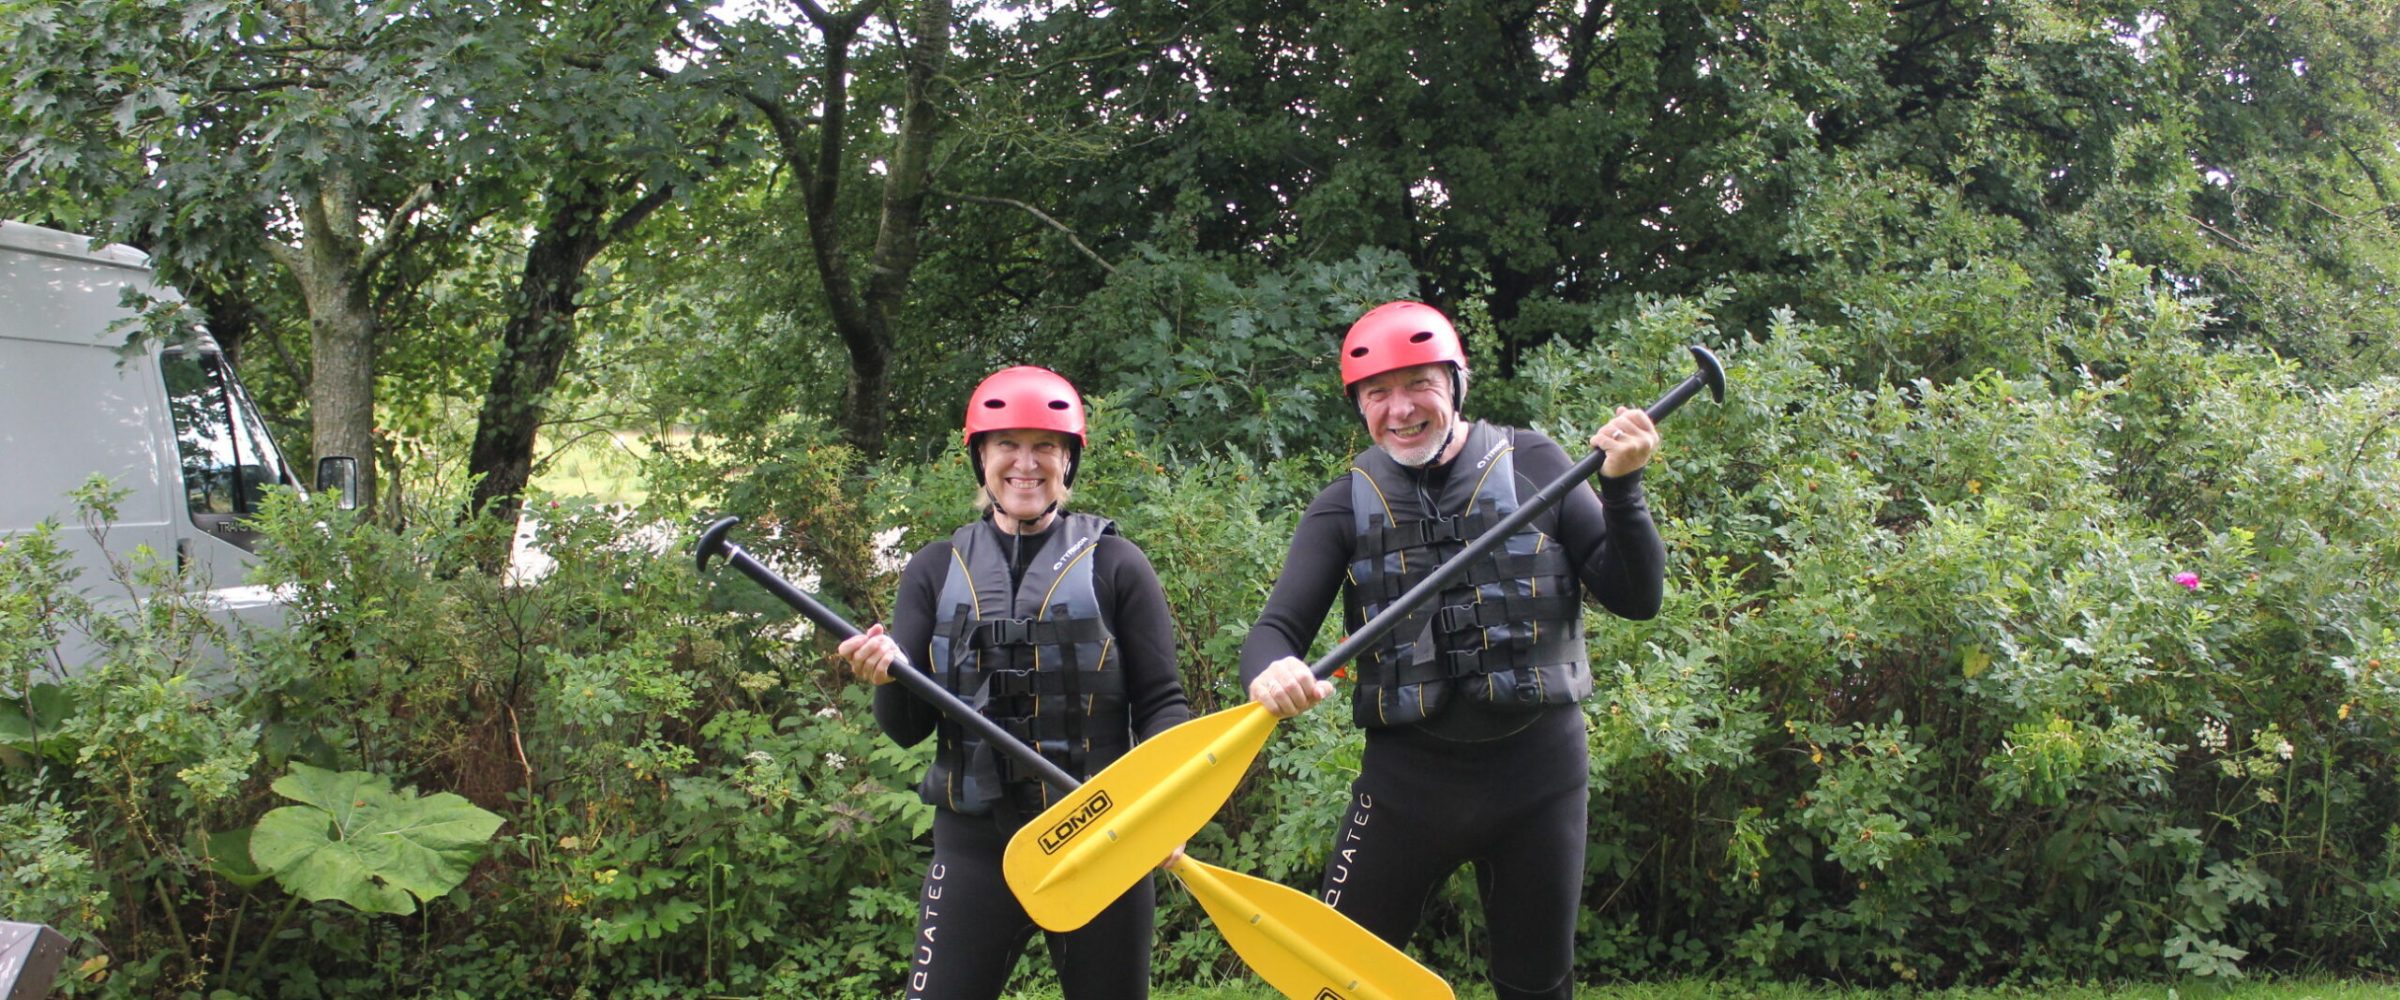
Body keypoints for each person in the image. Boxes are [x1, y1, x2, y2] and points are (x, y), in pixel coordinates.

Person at [1239, 300, 1667, 1000]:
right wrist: (1270, 672)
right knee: (1328, 979)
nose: (1400, 410)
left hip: (1539, 777)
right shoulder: (1342, 505)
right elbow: (1273, 632)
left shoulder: (1537, 463)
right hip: (1408, 784)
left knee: (1536, 985)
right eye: (1378, 394)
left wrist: (1622, 488)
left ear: (1457, 385)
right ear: (1360, 407)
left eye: (1419, 386)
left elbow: (1636, 596)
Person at [834, 366, 1192, 1000]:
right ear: (980, 458)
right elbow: (907, 729)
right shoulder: (933, 570)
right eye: (1007, 445)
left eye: (1045, 446)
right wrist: (887, 678)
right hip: (974, 850)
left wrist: (1165, 807)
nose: (1026, 464)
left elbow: (1164, 703)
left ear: (1068, 461)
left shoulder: (1117, 564)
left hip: (1099, 842)